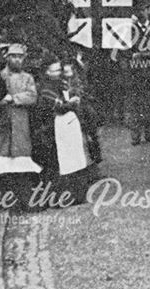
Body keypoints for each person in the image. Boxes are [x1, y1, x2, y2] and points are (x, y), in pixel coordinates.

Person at [34, 58, 101, 204]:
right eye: (56, 70)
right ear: (47, 72)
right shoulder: (46, 89)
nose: (60, 73)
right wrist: (70, 104)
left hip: (65, 126)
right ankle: (61, 197)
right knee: (60, 163)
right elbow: (56, 107)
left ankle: (75, 194)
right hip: (52, 129)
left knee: (73, 159)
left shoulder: (60, 84)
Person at [0, 43, 41, 209]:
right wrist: (0, 100)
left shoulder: (27, 78)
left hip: (20, 124)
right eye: (13, 56)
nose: (16, 59)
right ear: (7, 58)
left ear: (23, 59)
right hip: (1, 125)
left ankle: (23, 202)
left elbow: (32, 96)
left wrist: (14, 98)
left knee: (21, 162)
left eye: (19, 57)